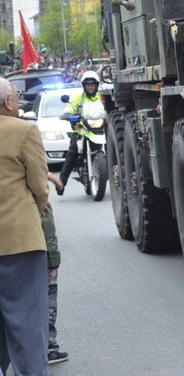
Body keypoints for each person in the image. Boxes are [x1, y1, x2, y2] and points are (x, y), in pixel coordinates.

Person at [0, 76, 50, 376]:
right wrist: (41, 201)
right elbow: (39, 186)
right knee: (28, 327)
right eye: (17, 96)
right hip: (20, 243)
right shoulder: (24, 130)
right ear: (7, 102)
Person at [58, 71, 104, 191]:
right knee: (73, 149)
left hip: (99, 129)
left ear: (96, 85)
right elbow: (71, 106)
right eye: (87, 84)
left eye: (92, 84)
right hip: (81, 129)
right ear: (84, 85)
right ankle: (61, 183)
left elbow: (108, 107)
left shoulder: (101, 96)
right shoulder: (78, 96)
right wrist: (67, 113)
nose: (90, 86)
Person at [42, 174, 68, 365]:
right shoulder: (39, 204)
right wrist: (54, 261)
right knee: (47, 299)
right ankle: (49, 348)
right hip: (36, 258)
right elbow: (48, 230)